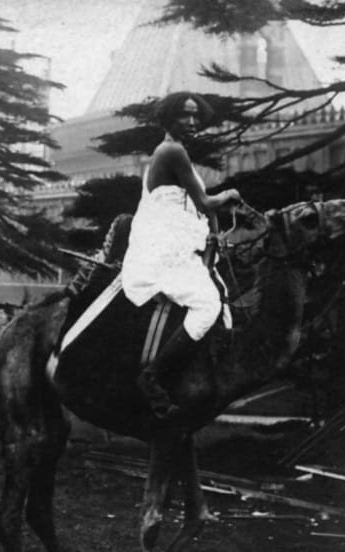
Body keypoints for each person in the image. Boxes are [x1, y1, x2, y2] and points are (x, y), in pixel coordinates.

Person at [121, 92, 241, 418]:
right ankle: (153, 377)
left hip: (177, 242)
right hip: (163, 250)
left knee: (223, 294)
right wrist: (229, 194)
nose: (191, 122)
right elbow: (205, 202)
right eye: (184, 116)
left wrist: (215, 232)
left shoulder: (175, 152)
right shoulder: (171, 151)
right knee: (207, 304)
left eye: (194, 116)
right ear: (169, 118)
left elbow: (199, 206)